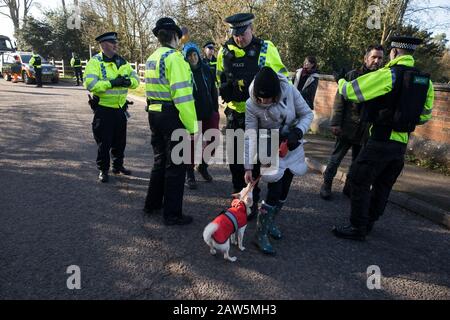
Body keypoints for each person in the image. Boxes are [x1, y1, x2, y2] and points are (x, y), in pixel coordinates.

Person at [332, 36, 434, 241]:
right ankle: (369, 222)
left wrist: (341, 80)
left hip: (380, 140)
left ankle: (357, 227)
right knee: (383, 185)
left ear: (394, 52)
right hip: (401, 144)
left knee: (359, 180)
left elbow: (352, 91)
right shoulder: (425, 81)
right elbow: (424, 115)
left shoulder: (389, 74)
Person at [217, 12, 289, 220]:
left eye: (243, 33)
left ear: (251, 29)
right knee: (236, 164)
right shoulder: (224, 51)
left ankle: (254, 201)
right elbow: (218, 79)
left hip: (261, 118)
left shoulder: (266, 49)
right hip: (235, 117)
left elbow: (283, 82)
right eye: (236, 34)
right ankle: (240, 202)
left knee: (258, 165)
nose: (239, 38)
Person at [244, 67, 313, 254]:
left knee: (284, 189)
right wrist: (248, 167)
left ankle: (271, 222)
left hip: (291, 145)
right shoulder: (251, 104)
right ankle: (260, 234)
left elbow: (307, 114)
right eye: (261, 99)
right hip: (268, 146)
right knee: (274, 189)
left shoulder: (289, 90)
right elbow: (250, 135)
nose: (264, 102)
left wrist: (298, 131)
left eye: (268, 98)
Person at [143, 17, 198, 226]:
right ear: (175, 36)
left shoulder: (152, 57)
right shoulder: (175, 59)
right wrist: (192, 127)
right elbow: (183, 97)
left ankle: (152, 204)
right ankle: (172, 214)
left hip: (154, 114)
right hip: (172, 116)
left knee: (159, 161)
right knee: (176, 166)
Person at [320, 45, 384, 200]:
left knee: (357, 163)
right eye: (374, 57)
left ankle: (349, 188)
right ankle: (326, 185)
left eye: (380, 58)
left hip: (366, 130)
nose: (376, 61)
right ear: (365, 58)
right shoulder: (352, 75)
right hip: (347, 127)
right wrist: (335, 123)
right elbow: (340, 101)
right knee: (335, 159)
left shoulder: (382, 79)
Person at [84, 32, 140, 183]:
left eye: (116, 42)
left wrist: (128, 82)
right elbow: (91, 85)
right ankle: (103, 170)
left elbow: (136, 80)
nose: (116, 45)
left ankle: (118, 166)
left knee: (120, 141)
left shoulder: (122, 61)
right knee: (104, 142)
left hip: (120, 108)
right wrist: (111, 83)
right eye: (111, 42)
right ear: (103, 44)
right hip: (104, 109)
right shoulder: (95, 63)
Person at [182, 42, 220, 189]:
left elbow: (212, 89)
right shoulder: (184, 71)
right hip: (191, 114)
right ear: (186, 58)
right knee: (190, 145)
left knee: (214, 141)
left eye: (194, 54)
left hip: (209, 111)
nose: (193, 58)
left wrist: (215, 110)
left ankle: (202, 166)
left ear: (198, 54)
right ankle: (189, 173)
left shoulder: (206, 68)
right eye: (189, 56)